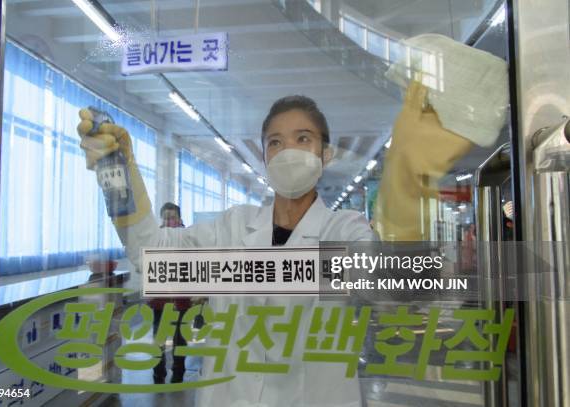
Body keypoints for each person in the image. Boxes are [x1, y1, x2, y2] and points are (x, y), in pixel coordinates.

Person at [77, 84, 476, 406]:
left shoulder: (344, 229)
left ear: (326, 154)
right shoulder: (233, 227)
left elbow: (388, 286)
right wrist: (119, 182)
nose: (287, 152)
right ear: (265, 156)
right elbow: (153, 260)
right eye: (275, 143)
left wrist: (406, 184)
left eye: (303, 139)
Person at [148, 202, 190, 384]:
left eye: (172, 218)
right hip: (160, 299)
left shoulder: (188, 237)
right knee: (158, 339)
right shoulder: (156, 238)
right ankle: (158, 375)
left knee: (180, 339)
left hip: (181, 299)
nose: (168, 221)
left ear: (179, 219)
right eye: (165, 218)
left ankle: (178, 374)